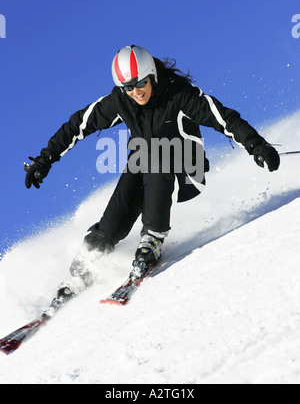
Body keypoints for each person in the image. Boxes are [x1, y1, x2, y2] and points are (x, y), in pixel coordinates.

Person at [25, 45, 280, 314]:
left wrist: (257, 146)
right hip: (147, 170)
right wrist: (45, 159)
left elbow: (223, 118)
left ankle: (152, 239)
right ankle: (85, 266)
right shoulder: (121, 101)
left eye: (140, 83)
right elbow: (78, 124)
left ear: (151, 76)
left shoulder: (179, 96)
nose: (136, 91)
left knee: (157, 153)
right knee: (126, 191)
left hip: (186, 171)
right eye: (128, 87)